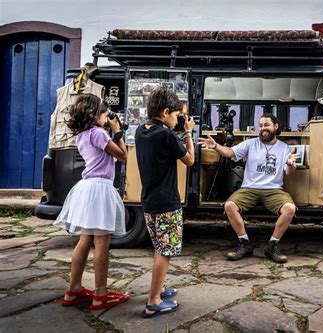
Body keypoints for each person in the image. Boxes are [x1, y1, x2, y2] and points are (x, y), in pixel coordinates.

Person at [54, 94, 129, 310]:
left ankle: (74, 289)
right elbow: (123, 155)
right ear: (95, 114)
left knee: (84, 240)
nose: (108, 117)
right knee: (101, 243)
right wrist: (117, 131)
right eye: (105, 113)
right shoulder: (99, 134)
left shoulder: (83, 134)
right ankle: (101, 294)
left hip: (87, 188)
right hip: (100, 188)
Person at [199, 113, 299, 263]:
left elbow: (289, 173)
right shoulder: (251, 143)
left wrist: (291, 164)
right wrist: (216, 146)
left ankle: (273, 245)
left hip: (274, 190)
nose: (263, 128)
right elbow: (230, 152)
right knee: (229, 206)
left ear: (275, 127)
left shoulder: (285, 148)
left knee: (290, 209)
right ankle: (244, 244)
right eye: (260, 125)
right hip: (249, 189)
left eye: (266, 125)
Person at [135, 86, 195, 318]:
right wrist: (188, 133)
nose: (178, 120)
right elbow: (189, 160)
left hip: (149, 201)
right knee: (165, 251)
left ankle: (158, 288)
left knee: (159, 247)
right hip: (167, 203)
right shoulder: (166, 135)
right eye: (176, 116)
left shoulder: (142, 131)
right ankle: (153, 302)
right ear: (165, 111)